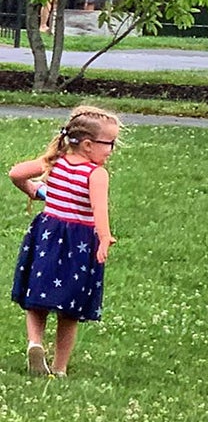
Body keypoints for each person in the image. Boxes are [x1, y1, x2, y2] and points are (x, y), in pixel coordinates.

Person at [8, 105, 121, 378]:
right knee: (69, 310)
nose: (112, 150)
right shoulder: (96, 174)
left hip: (47, 236)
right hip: (79, 244)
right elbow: (99, 210)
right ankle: (59, 368)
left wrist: (36, 191)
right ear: (87, 144)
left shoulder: (54, 162)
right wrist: (104, 238)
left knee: (37, 298)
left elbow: (16, 173)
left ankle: (35, 343)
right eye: (110, 144)